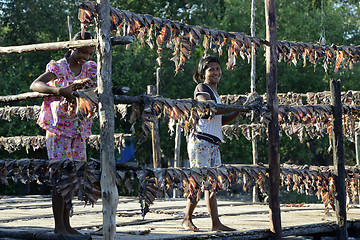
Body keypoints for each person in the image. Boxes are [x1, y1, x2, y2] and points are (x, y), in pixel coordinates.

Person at [30, 31, 97, 234]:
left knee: (74, 175)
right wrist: (59, 91)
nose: (85, 57)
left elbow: (96, 88)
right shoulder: (58, 67)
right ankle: (59, 227)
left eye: (90, 53)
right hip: (58, 129)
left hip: (78, 129)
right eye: (82, 52)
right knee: (60, 176)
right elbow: (35, 85)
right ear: (72, 48)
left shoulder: (90, 68)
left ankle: (67, 224)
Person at [182, 55, 239, 232]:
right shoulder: (202, 88)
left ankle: (216, 223)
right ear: (202, 73)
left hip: (213, 143)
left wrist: (238, 110)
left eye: (217, 68)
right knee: (198, 182)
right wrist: (235, 106)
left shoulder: (216, 95)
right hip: (201, 141)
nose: (215, 72)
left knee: (213, 185)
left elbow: (219, 121)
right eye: (210, 69)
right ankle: (186, 219)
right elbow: (208, 108)